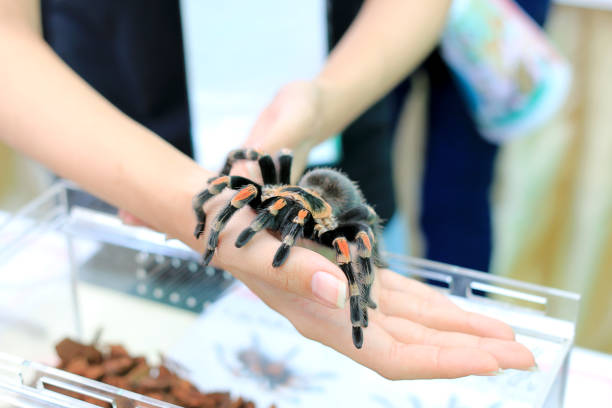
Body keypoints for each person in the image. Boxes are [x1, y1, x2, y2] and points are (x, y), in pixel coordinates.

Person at [0, 0, 535, 379]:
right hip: (117, 172)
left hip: (338, 143)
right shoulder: (262, 199)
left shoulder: (336, 217)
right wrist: (194, 212)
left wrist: (324, 103)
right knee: (142, 353)